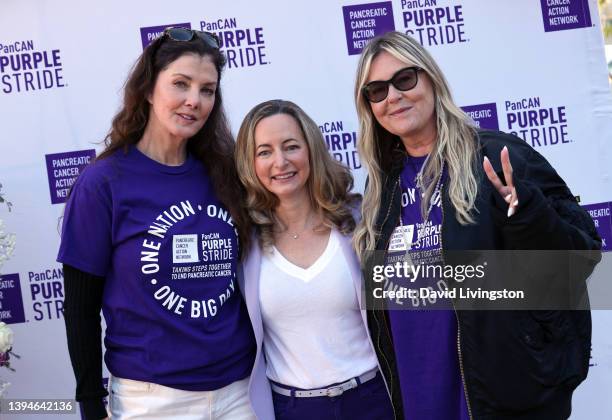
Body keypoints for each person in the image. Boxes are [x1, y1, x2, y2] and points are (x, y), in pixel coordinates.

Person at [353, 31, 601, 420]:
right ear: (369, 106)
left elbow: (580, 258)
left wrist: (529, 215)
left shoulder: (496, 155)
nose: (393, 97)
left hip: (501, 402)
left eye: (404, 80)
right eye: (377, 90)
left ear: (431, 79)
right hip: (420, 399)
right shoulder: (380, 187)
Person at [58, 28, 261, 420]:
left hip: (241, 390)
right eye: (180, 84)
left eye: (207, 90)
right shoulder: (104, 183)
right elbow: (80, 308)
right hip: (151, 399)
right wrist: (88, 401)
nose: (194, 101)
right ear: (149, 90)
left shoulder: (225, 172)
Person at [234, 99, 394, 420]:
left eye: (291, 146)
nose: (280, 162)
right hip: (294, 409)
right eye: (264, 152)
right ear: (250, 163)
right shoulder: (242, 241)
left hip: (373, 399)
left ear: (311, 150)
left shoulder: (361, 220)